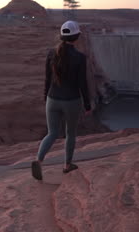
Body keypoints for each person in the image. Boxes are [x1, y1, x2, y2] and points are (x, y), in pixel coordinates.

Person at [31, 20, 92, 181]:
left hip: (52, 99)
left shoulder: (51, 53)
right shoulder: (80, 57)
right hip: (71, 101)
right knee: (70, 133)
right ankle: (67, 165)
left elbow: (47, 79)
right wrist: (87, 104)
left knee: (52, 133)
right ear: (76, 36)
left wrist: (46, 97)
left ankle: (38, 160)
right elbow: (82, 84)